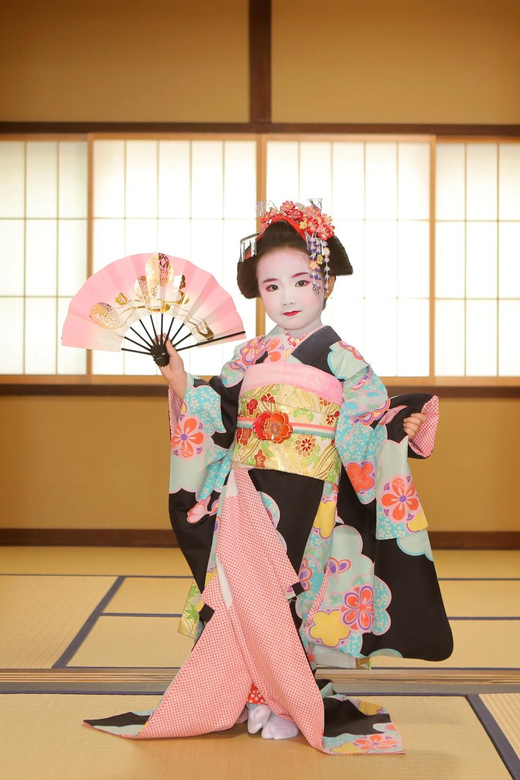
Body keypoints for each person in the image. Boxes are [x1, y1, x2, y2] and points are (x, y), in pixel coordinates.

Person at [85, 200, 453, 755]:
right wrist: (182, 378)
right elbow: (218, 415)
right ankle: (257, 696)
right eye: (272, 285)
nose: (288, 297)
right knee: (238, 594)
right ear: (260, 292)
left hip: (310, 492)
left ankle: (284, 699)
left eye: (301, 281)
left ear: (324, 282)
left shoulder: (343, 359)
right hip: (246, 491)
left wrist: (397, 426)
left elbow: (369, 419)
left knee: (294, 594)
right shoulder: (249, 355)